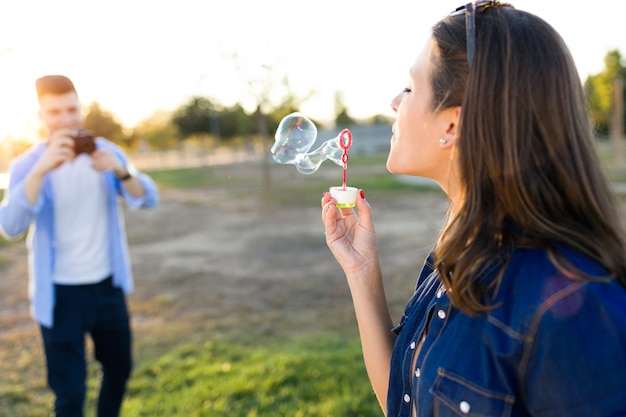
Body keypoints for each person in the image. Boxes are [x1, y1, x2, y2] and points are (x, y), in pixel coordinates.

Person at [321, 2, 626, 416]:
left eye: (410, 88)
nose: (395, 101)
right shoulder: (456, 256)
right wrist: (361, 272)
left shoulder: (574, 306)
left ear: (451, 125)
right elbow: (407, 402)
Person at [0, 75, 159, 417]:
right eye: (55, 112)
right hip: (59, 296)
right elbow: (10, 227)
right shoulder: (27, 165)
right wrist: (41, 171)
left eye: (72, 109)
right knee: (69, 393)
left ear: (81, 108)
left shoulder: (107, 152)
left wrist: (122, 172)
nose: (66, 119)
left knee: (119, 371)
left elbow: (148, 199)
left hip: (107, 286)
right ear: (42, 115)